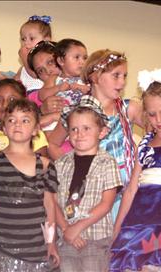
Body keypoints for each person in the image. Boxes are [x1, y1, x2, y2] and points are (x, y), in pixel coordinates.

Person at [110, 69, 161, 271]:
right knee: (129, 262)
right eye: (152, 114)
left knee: (156, 261)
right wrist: (117, 228)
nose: (159, 119)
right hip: (137, 218)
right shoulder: (146, 144)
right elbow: (131, 189)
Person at [48, 49, 143, 221]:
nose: (122, 82)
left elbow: (159, 127)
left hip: (126, 189)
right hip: (92, 189)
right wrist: (71, 166)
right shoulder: (76, 113)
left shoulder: (129, 109)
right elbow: (52, 143)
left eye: (124, 76)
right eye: (116, 75)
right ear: (95, 77)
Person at [0, 98, 60, 271]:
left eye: (25, 120)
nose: (17, 125)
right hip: (0, 247)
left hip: (35, 250)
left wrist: (51, 242)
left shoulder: (45, 165)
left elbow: (50, 206)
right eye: (12, 120)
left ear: (36, 129)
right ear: (4, 128)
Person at [54, 95, 121, 272]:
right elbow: (52, 202)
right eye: (74, 129)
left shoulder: (108, 162)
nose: (79, 134)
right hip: (66, 239)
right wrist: (66, 229)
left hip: (95, 239)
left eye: (86, 128)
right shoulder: (60, 164)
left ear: (102, 132)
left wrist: (78, 227)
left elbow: (106, 204)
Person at [0, 78, 49, 156]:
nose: (4, 105)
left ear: (24, 102)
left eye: (12, 99)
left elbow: (41, 166)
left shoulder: (34, 134)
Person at [38, 38, 90, 105]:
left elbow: (96, 93)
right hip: (60, 112)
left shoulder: (87, 77)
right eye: (77, 57)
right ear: (61, 61)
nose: (82, 62)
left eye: (85, 58)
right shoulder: (54, 78)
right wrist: (58, 88)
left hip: (81, 112)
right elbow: (42, 96)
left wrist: (84, 88)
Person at [14, 15, 53, 92]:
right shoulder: (23, 68)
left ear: (46, 40)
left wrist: (24, 59)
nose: (26, 43)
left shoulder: (50, 59)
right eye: (23, 39)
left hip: (41, 94)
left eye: (31, 38)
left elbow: (36, 75)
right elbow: (13, 83)